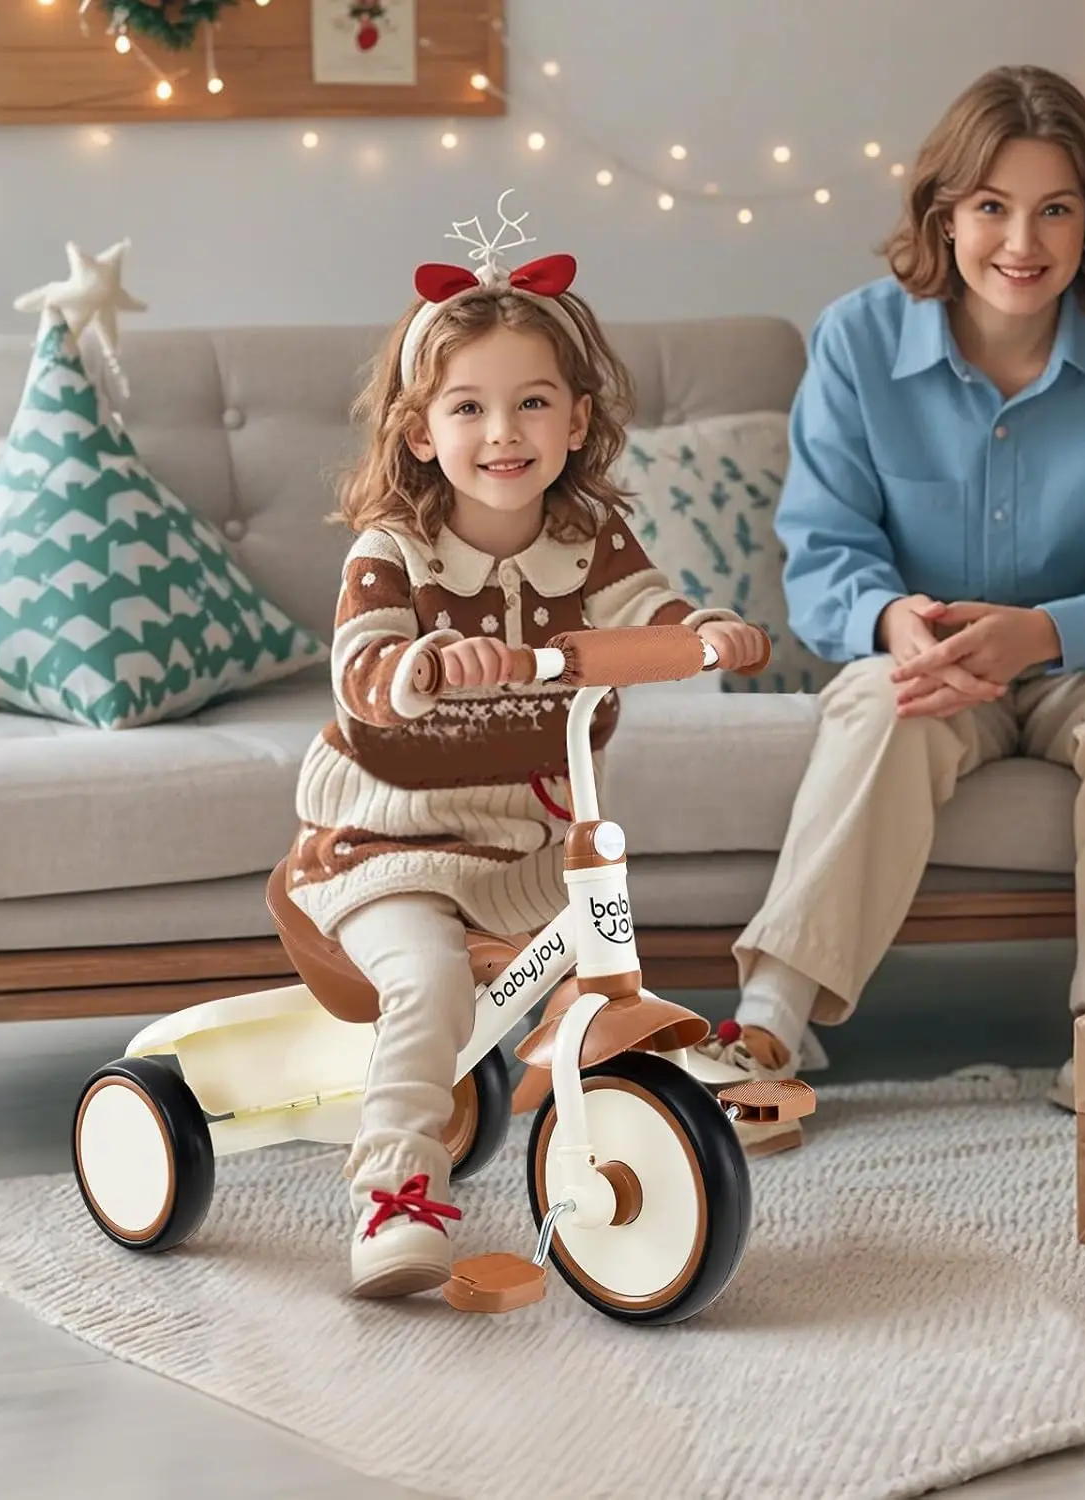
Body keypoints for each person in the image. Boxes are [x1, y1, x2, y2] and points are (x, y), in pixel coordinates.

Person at [686, 63, 1085, 1136]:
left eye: (1054, 210)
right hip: (935, 660)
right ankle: (770, 1022)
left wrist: (1043, 632)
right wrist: (894, 623)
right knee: (878, 701)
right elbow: (825, 550)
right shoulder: (856, 341)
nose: (1021, 243)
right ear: (944, 216)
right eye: (991, 207)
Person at [283, 208, 768, 1297]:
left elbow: (649, 604)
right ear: (421, 432)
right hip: (387, 841)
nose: (503, 431)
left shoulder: (586, 540)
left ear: (576, 419)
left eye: (532, 402)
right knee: (427, 985)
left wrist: (705, 631)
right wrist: (420, 671)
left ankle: (617, 1110)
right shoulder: (393, 552)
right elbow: (363, 670)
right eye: (469, 407)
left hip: (527, 836)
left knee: (602, 940)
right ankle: (392, 1192)